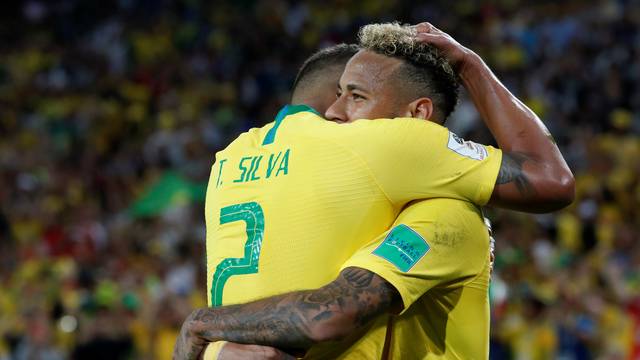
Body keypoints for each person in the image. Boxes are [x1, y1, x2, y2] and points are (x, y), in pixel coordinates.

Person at [174, 22, 574, 359]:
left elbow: (327, 314)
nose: (333, 112)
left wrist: (207, 331)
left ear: (416, 116)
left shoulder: (229, 156)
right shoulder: (390, 200)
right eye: (339, 93)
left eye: (356, 97)